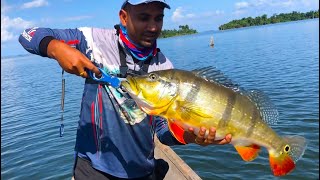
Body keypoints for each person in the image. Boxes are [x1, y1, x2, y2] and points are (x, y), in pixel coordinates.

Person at [18, 0, 232, 179]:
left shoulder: (165, 67)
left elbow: (163, 132)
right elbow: (28, 35)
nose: (153, 27)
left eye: (158, 18)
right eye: (144, 17)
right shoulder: (94, 41)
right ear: (124, 16)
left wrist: (191, 137)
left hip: (141, 171)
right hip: (94, 169)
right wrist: (55, 47)